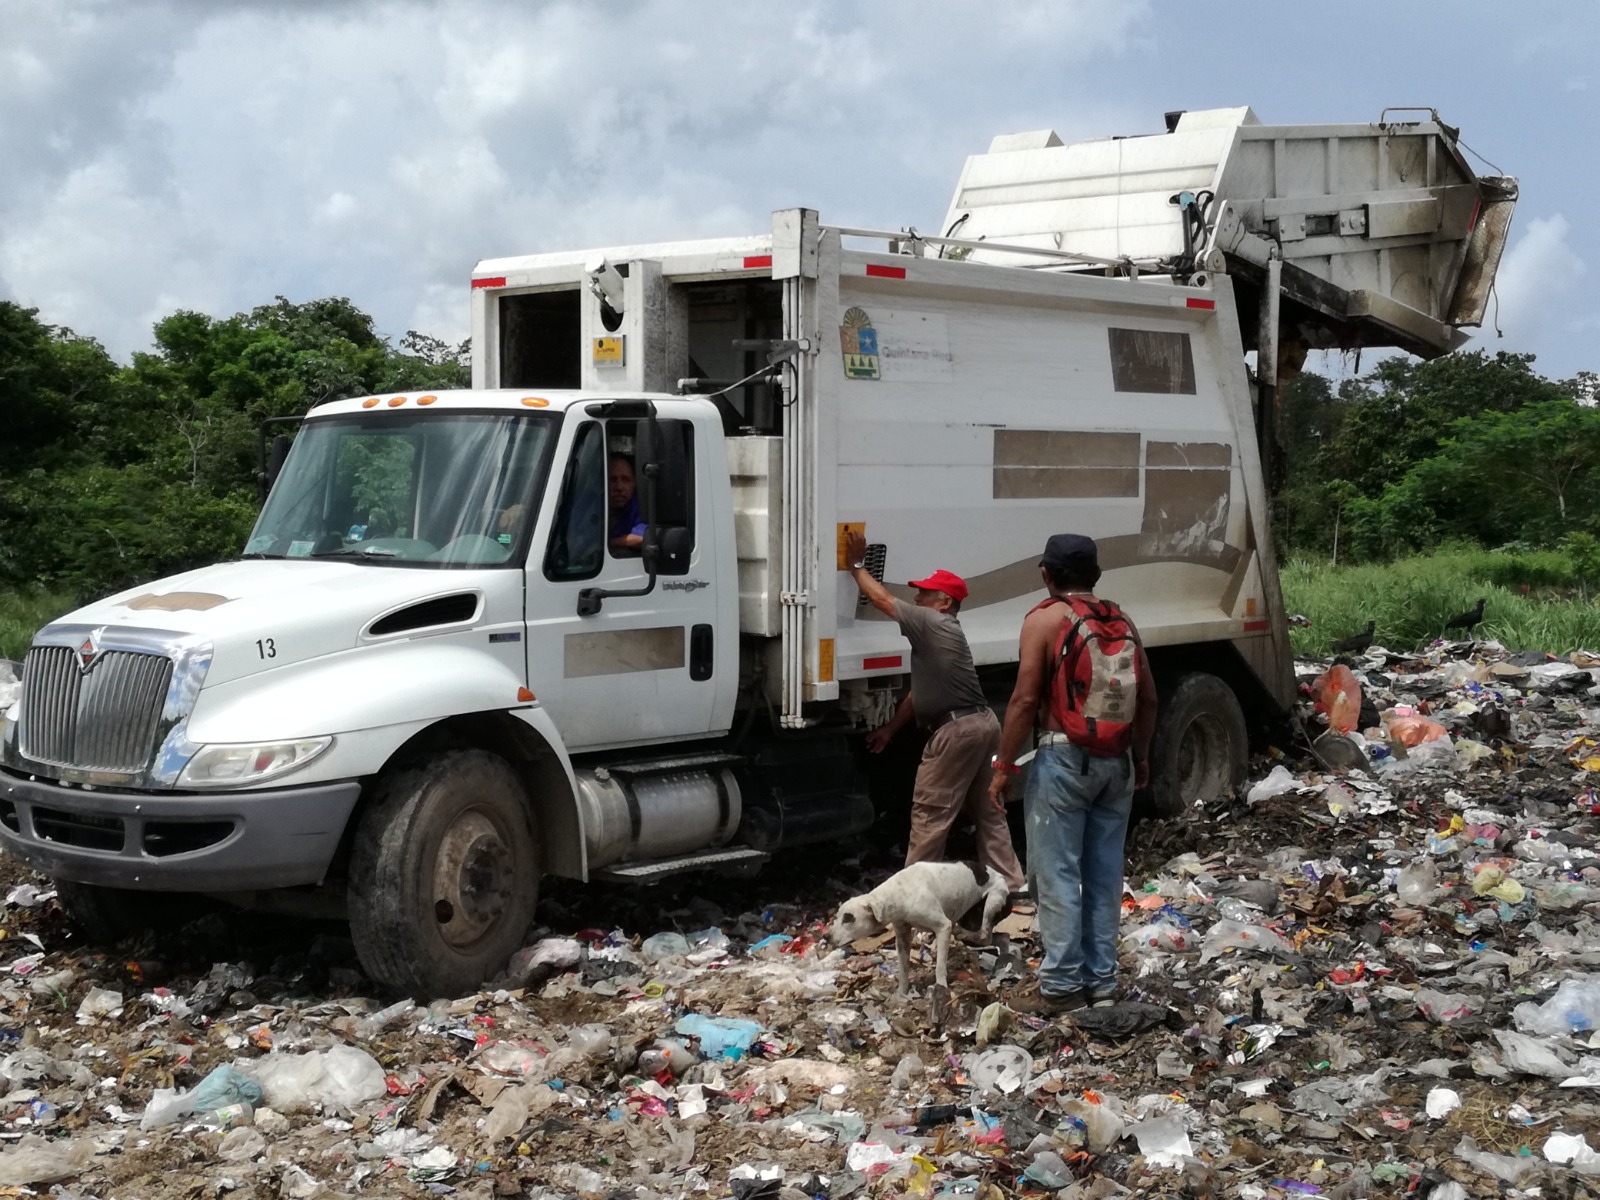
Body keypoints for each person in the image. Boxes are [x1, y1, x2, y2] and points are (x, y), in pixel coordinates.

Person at [989, 533, 1157, 1014]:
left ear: (1046, 574)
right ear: (1096, 575)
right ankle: (1101, 982)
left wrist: (1003, 767)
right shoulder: (1121, 620)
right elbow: (1148, 698)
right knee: (1104, 875)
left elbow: (1023, 700)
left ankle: (1061, 985)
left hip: (1064, 760)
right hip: (1116, 763)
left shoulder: (1045, 620)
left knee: (1058, 873)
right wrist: (1140, 757)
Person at [846, 530, 1026, 895]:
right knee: (988, 810)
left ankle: (915, 894)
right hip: (982, 724)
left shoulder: (932, 622)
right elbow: (918, 694)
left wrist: (855, 565)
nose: (917, 596)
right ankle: (1011, 884)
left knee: (931, 813)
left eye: (924, 593)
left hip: (957, 731)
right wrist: (891, 730)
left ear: (944, 601)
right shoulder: (941, 631)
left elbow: (881, 598)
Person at [608, 453, 647, 551]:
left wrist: (607, 543)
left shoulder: (641, 509)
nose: (619, 487)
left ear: (634, 483)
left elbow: (642, 538)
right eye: (612, 480)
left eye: (626, 480)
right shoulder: (592, 506)